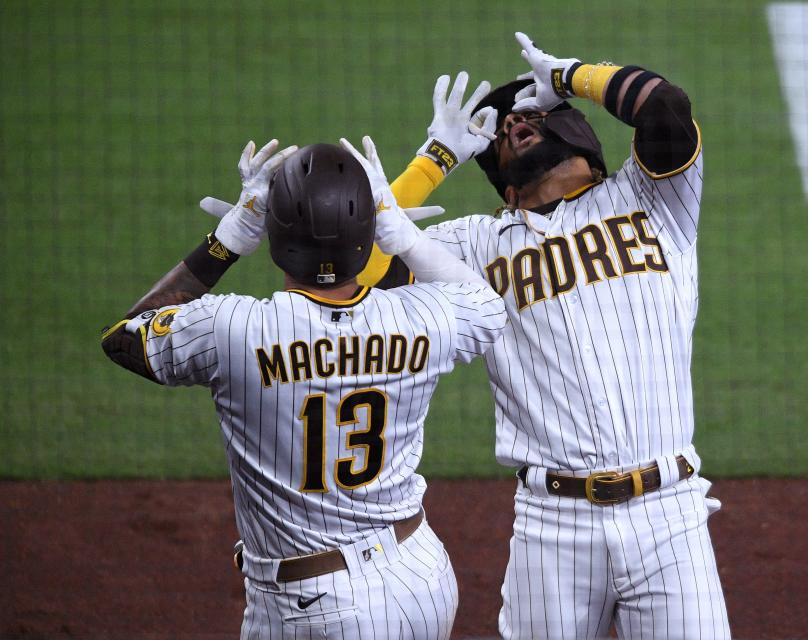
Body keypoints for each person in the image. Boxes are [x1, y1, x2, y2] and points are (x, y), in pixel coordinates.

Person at [358, 33, 731, 639]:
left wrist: (570, 78)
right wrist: (433, 160)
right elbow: (357, 271)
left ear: (585, 140)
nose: (515, 123)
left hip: (671, 514)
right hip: (550, 524)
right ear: (503, 184)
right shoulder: (475, 245)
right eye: (505, 127)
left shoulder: (653, 199)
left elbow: (665, 106)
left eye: (533, 115)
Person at [101, 134, 506, 639]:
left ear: (274, 238)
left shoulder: (231, 330)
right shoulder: (423, 317)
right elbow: (486, 305)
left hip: (315, 605)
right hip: (422, 575)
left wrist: (226, 240)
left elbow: (123, 338)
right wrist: (401, 232)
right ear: (368, 234)